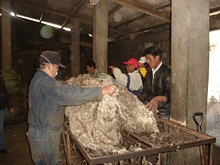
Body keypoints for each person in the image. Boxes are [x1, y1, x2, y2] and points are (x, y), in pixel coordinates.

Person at [27, 50, 116, 165]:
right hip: (45, 135)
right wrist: (100, 91)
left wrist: (65, 85)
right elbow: (67, 94)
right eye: (56, 67)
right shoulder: (46, 83)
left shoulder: (38, 79)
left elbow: (56, 92)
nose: (58, 70)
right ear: (49, 66)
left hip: (40, 132)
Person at [138, 46, 171, 119]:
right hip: (151, 109)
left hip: (164, 112)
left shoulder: (167, 73)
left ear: (157, 57)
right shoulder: (149, 72)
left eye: (149, 58)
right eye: (146, 59)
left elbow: (170, 96)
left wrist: (158, 98)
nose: (147, 61)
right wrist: (136, 101)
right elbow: (145, 91)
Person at [0, 73, 14, 155]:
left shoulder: (1, 80)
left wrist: (10, 106)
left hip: (0, 107)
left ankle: (1, 148)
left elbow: (5, 93)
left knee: (0, 128)